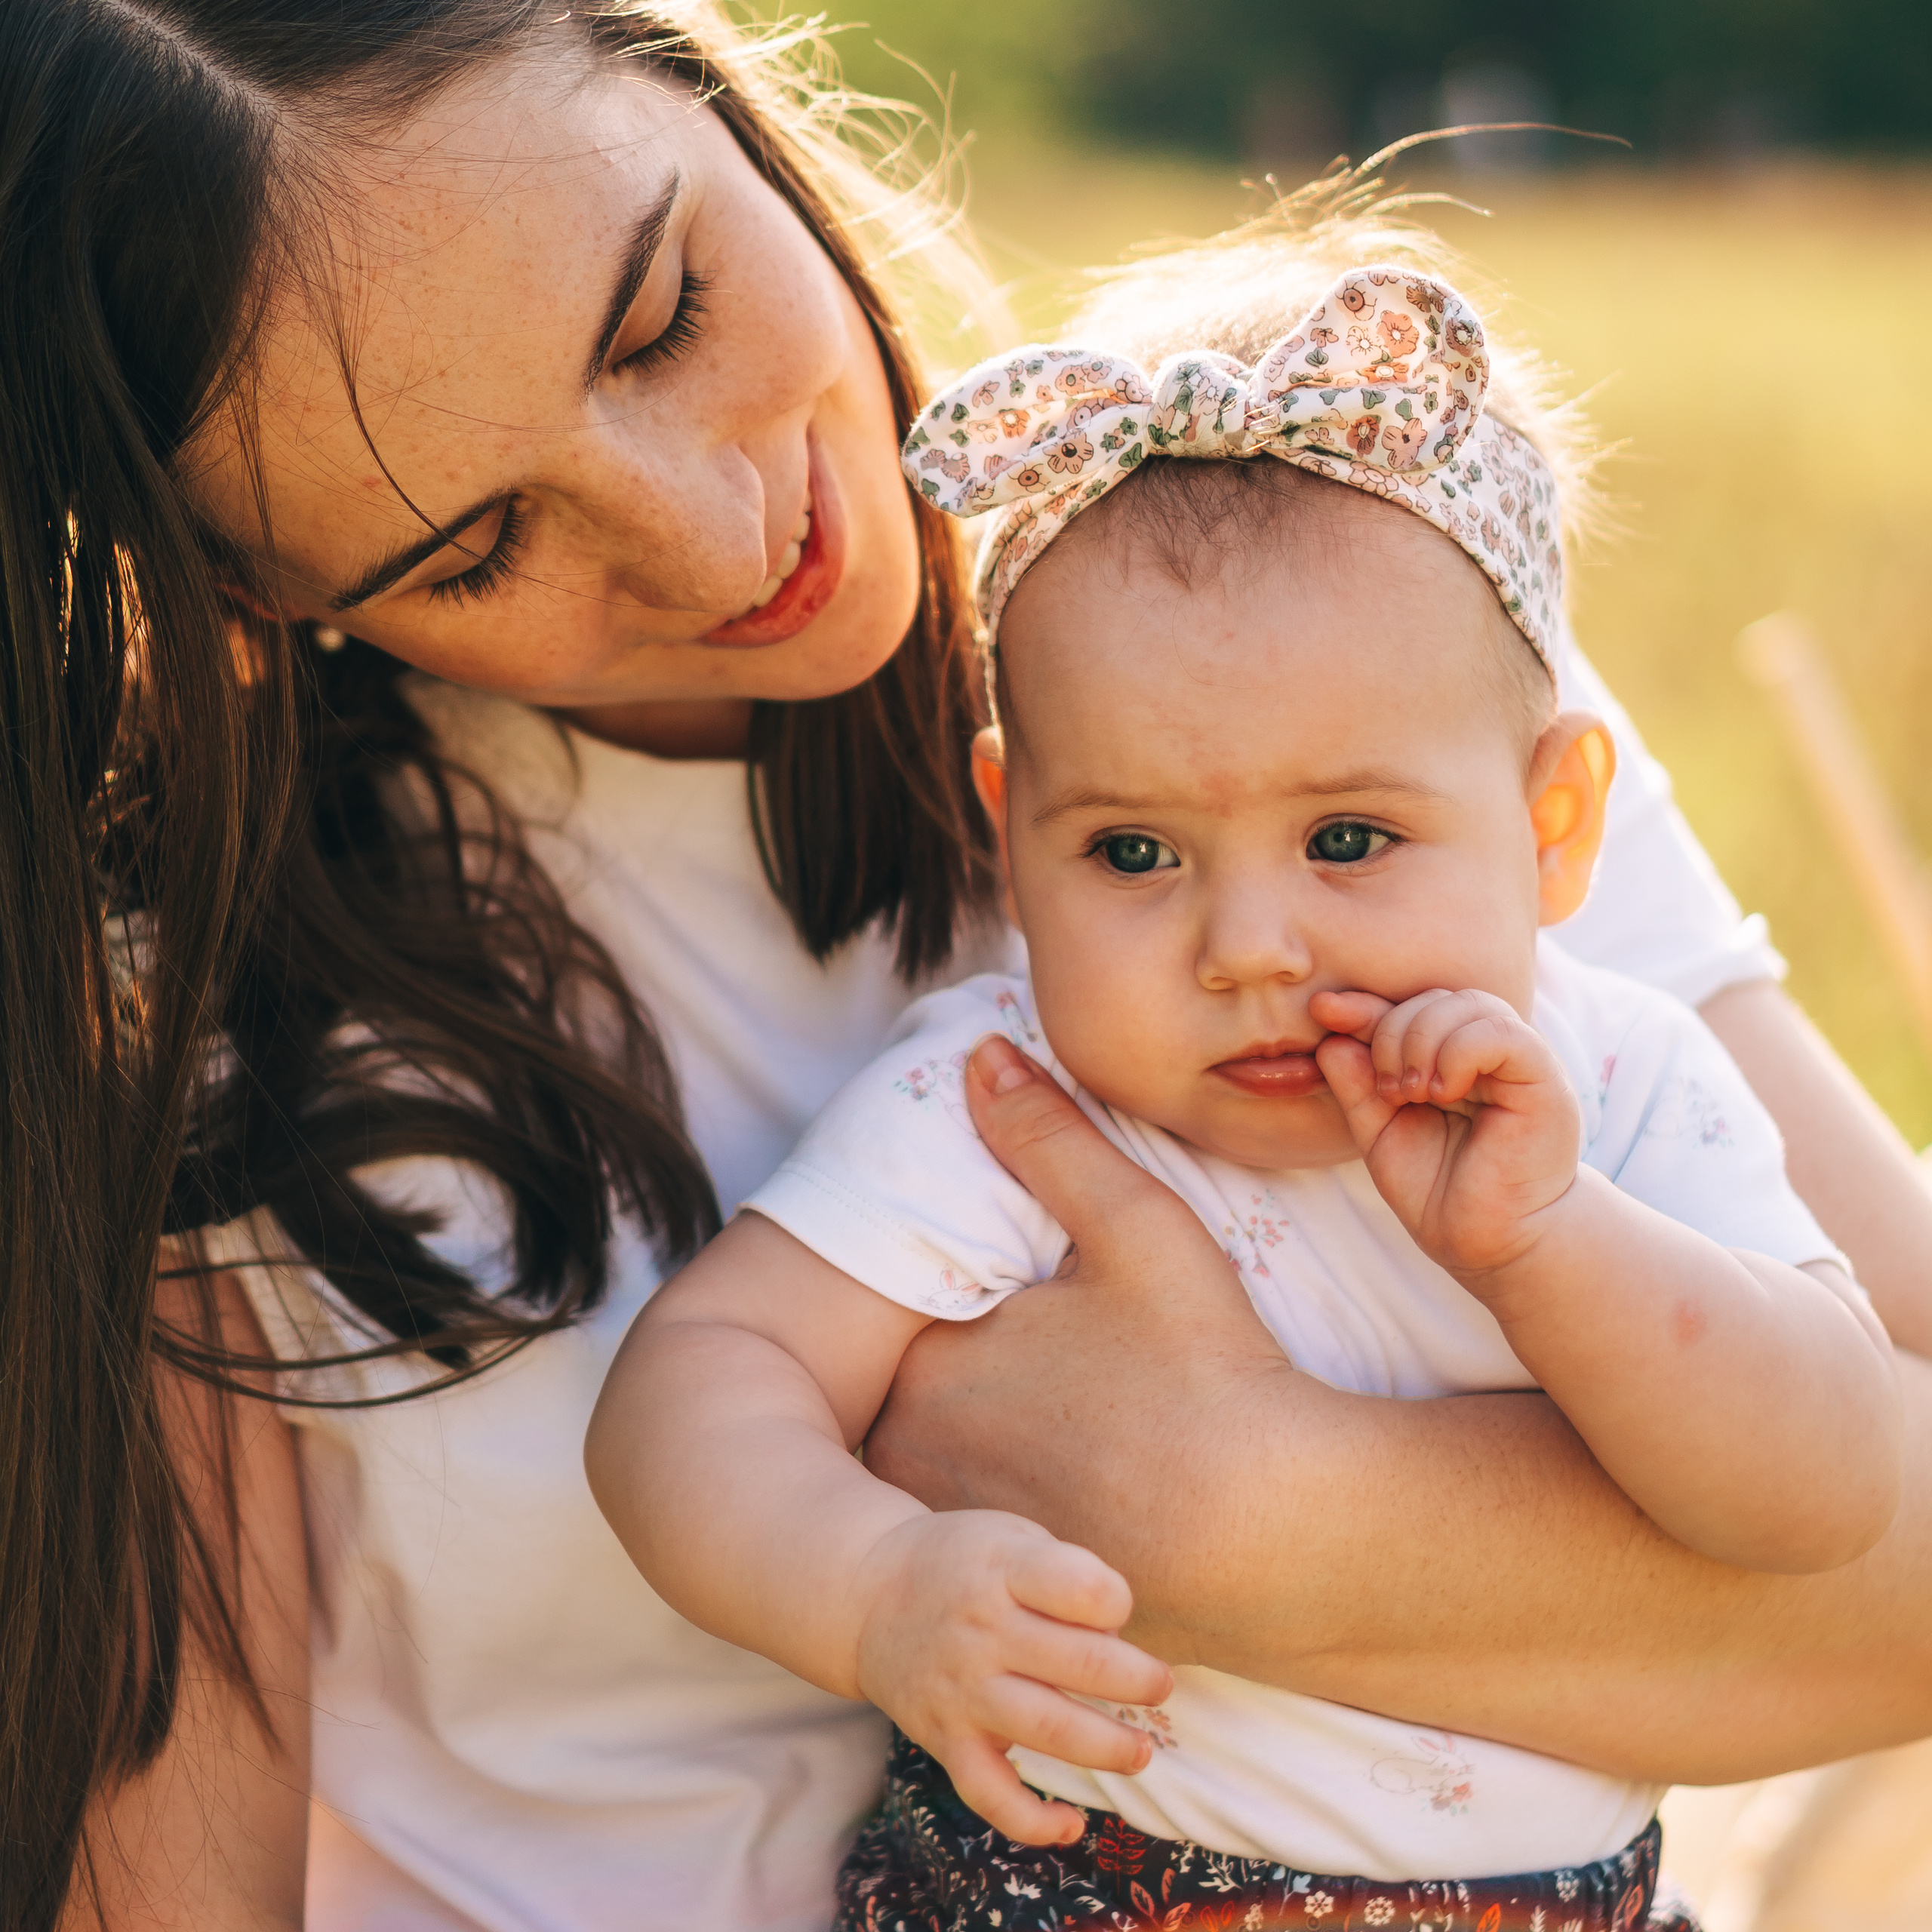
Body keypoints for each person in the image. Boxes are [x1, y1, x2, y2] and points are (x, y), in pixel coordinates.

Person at [5, 3, 1931, 1928]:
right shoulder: (174, 1009)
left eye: (660, 315)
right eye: (474, 544)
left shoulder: (1358, 602)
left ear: (685, 69)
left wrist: (1236, 1502)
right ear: (254, 590)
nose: (719, 540)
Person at [584, 261, 1901, 1932]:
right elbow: (700, 1380)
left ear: (1553, 822)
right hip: (1074, 1893)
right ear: (1013, 835)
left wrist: (1552, 1242)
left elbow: (1826, 1491)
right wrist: (868, 1584)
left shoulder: (1621, 1081)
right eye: (1132, 851)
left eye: (1347, 838)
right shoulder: (1006, 1102)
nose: (1247, 947)